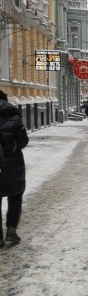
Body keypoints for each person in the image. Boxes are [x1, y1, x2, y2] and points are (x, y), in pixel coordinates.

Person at [0, 90, 29, 247]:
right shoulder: (14, 117)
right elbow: (23, 141)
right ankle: (11, 229)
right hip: (13, 165)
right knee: (15, 196)